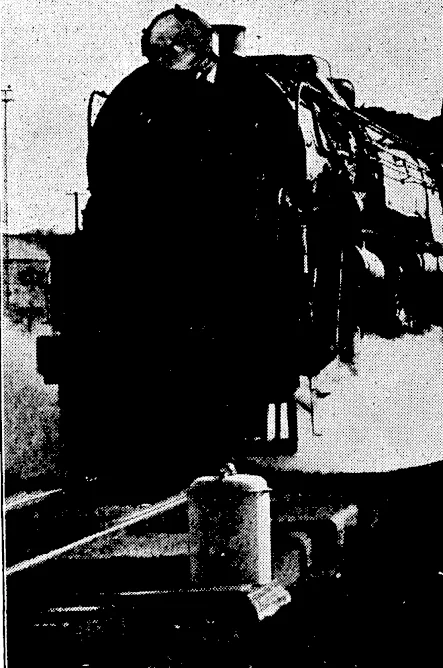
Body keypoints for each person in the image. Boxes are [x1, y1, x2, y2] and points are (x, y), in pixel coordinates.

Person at [68, 7, 306, 481]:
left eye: (170, 54)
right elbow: (104, 180)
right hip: (151, 262)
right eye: (155, 56)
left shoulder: (253, 92)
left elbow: (289, 171)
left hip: (237, 255)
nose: (162, 67)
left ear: (201, 50)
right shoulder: (133, 98)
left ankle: (210, 440)